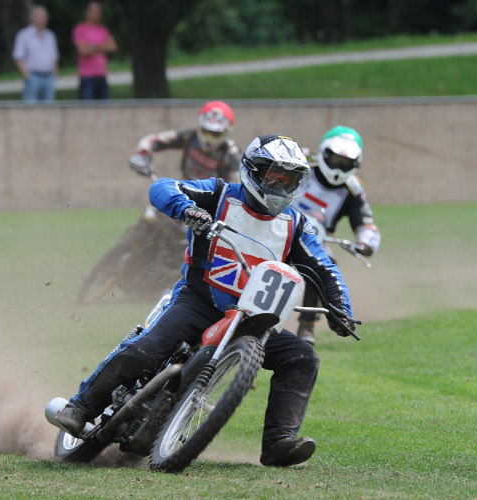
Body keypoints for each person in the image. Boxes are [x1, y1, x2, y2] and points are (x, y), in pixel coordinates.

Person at [56, 134, 355, 467]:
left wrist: (340, 307)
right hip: (196, 301)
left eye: (290, 180)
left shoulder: (295, 225)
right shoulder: (220, 193)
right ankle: (81, 407)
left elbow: (324, 267)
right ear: (254, 171)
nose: (282, 186)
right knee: (148, 349)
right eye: (275, 176)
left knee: (302, 356)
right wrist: (188, 211)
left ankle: (279, 442)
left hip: (252, 318)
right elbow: (163, 188)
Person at [290, 126, 381, 345]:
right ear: (324, 152)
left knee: (325, 263)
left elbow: (366, 223)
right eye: (335, 159)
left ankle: (307, 325)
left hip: (314, 240)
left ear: (355, 164)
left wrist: (365, 243)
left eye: (345, 162)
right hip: (275, 223)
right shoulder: (298, 160)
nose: (338, 167)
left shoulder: (353, 191)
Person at [128, 101, 240, 182]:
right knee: (151, 212)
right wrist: (143, 156)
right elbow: (155, 140)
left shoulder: (231, 153)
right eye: (206, 130)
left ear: (227, 131)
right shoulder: (189, 135)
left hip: (214, 205)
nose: (209, 137)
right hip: (183, 195)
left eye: (215, 133)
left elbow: (240, 183)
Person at [12, 5, 59, 103]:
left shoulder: (50, 35)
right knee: (31, 109)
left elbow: (54, 57)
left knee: (49, 109)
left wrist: (54, 74)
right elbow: (18, 57)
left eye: (43, 18)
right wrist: (27, 75)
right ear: (32, 19)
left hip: (48, 77)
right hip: (33, 77)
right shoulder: (24, 35)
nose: (41, 20)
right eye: (38, 17)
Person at [72, 1, 118, 100]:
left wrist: (94, 47)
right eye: (96, 11)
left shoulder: (103, 29)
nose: (99, 13)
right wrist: (103, 46)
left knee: (104, 109)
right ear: (87, 12)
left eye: (99, 11)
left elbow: (113, 47)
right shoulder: (80, 29)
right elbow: (84, 51)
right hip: (87, 77)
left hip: (102, 75)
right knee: (87, 109)